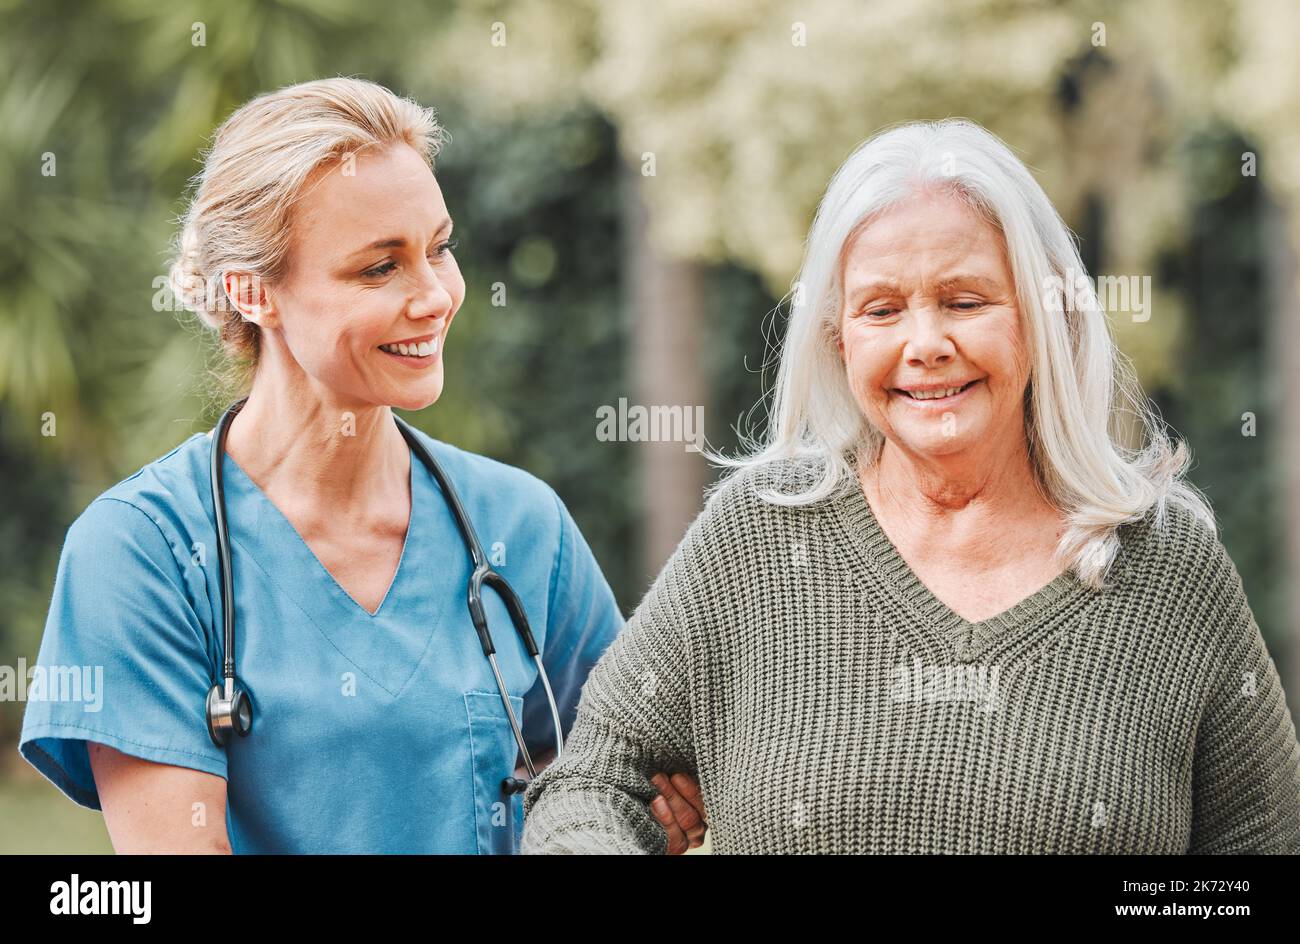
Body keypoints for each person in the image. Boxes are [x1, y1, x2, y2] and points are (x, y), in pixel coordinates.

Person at [521, 118, 1300, 854]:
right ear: (838, 336)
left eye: (965, 301)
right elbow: (589, 781)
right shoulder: (755, 540)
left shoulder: (1169, 568)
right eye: (882, 309)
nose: (925, 345)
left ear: (1044, 318)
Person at [18, 76, 704, 854]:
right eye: (380, 268)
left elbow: (618, 782)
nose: (435, 296)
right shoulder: (142, 554)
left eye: (439, 249)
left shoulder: (520, 526)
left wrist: (619, 825)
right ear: (252, 292)